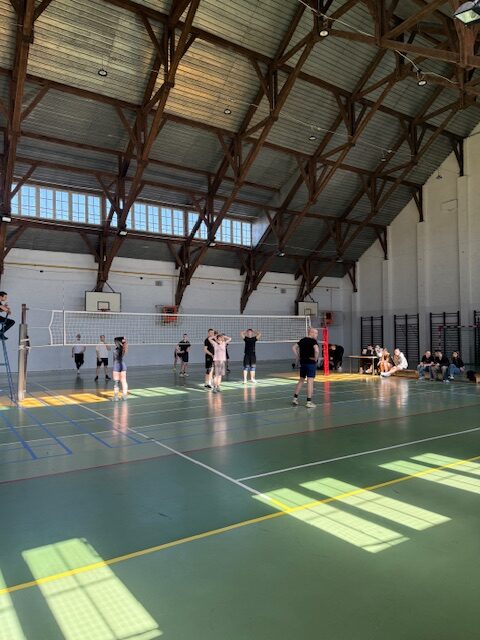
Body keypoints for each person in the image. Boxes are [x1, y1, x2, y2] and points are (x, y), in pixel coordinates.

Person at [292, 327, 319, 408]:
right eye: (316, 333)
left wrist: (298, 356)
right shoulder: (313, 341)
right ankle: (309, 402)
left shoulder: (302, 340)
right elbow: (317, 350)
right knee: (310, 381)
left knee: (301, 380)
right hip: (311, 363)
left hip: (303, 363)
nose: (317, 335)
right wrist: (315, 359)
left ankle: (295, 398)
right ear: (311, 333)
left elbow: (293, 347)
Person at [112, 336, 128, 400]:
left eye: (115, 342)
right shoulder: (123, 348)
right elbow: (124, 343)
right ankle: (124, 396)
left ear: (117, 342)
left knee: (116, 382)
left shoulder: (116, 350)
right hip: (122, 365)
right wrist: (123, 339)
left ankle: (116, 397)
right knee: (124, 381)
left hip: (116, 366)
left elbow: (114, 359)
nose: (114, 343)